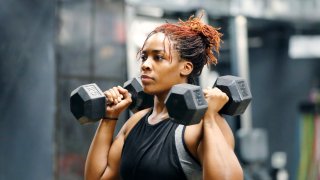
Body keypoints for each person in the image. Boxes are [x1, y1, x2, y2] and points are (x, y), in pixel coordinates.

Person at [84, 14, 243, 180]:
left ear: (186, 67)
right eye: (144, 57)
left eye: (158, 57)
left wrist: (209, 117)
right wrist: (109, 117)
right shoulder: (135, 122)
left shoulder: (201, 123)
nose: (145, 65)